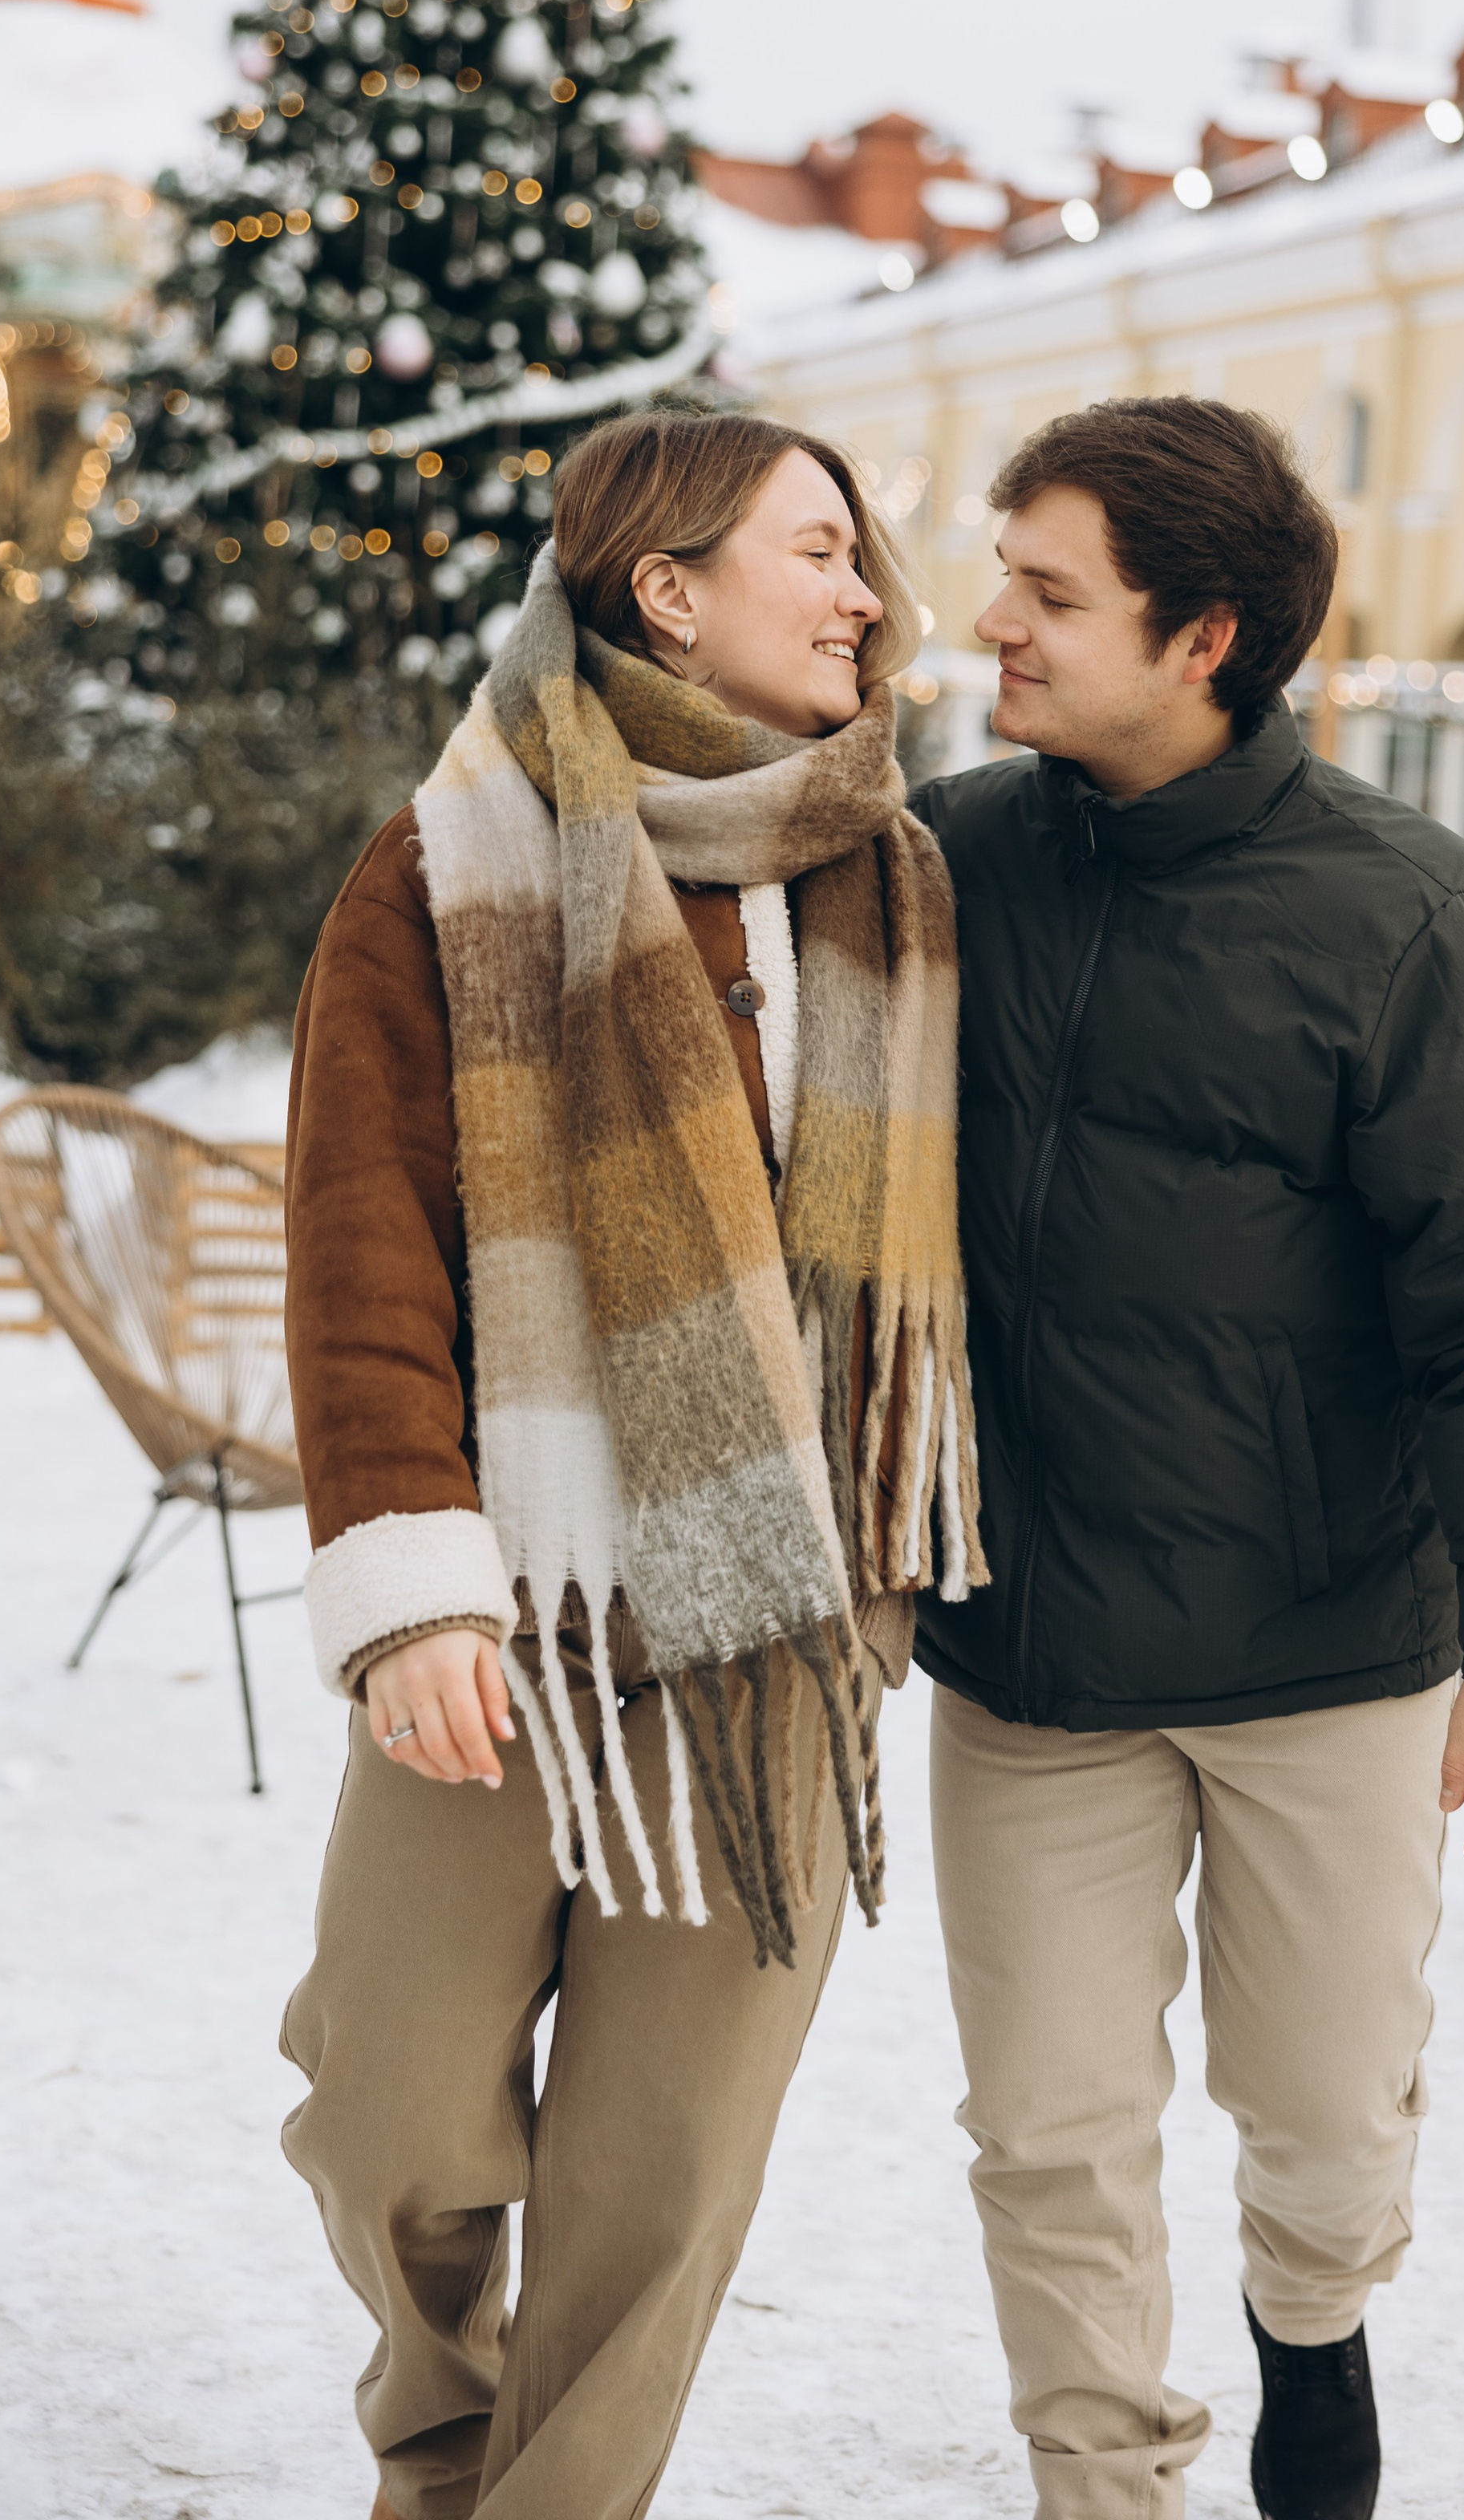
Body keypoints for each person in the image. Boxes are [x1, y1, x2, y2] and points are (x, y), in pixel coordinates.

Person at [909, 397, 1464, 2520]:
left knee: (1322, 2107)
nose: (994, 622)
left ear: (1202, 637)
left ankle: (1314, 2325)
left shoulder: (1407, 914)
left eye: (1048, 593)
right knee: (1045, 2125)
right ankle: (1101, 2478)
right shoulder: (946, 865)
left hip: (1323, 1646)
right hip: (1032, 1641)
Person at [278, 412, 983, 2520]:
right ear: (666, 589)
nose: (863, 592)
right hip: (518, 1599)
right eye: (816, 550)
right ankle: (438, 2436)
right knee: (387, 2109)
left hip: (791, 1606)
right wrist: (410, 1583)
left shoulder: (896, 872)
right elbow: (362, 1240)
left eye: (860, 554)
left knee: (660, 2172)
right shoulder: (448, 858)